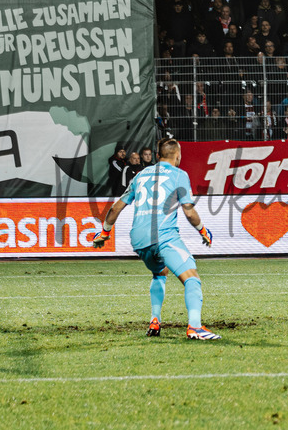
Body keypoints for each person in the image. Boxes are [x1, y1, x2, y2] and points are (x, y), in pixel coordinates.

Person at [92, 138, 220, 340]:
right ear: (178, 156)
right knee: (192, 278)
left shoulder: (141, 175)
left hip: (139, 240)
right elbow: (189, 211)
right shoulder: (179, 175)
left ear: (158, 156)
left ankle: (155, 320)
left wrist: (105, 232)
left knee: (160, 272)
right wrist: (203, 230)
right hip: (163, 236)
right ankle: (195, 327)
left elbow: (116, 207)